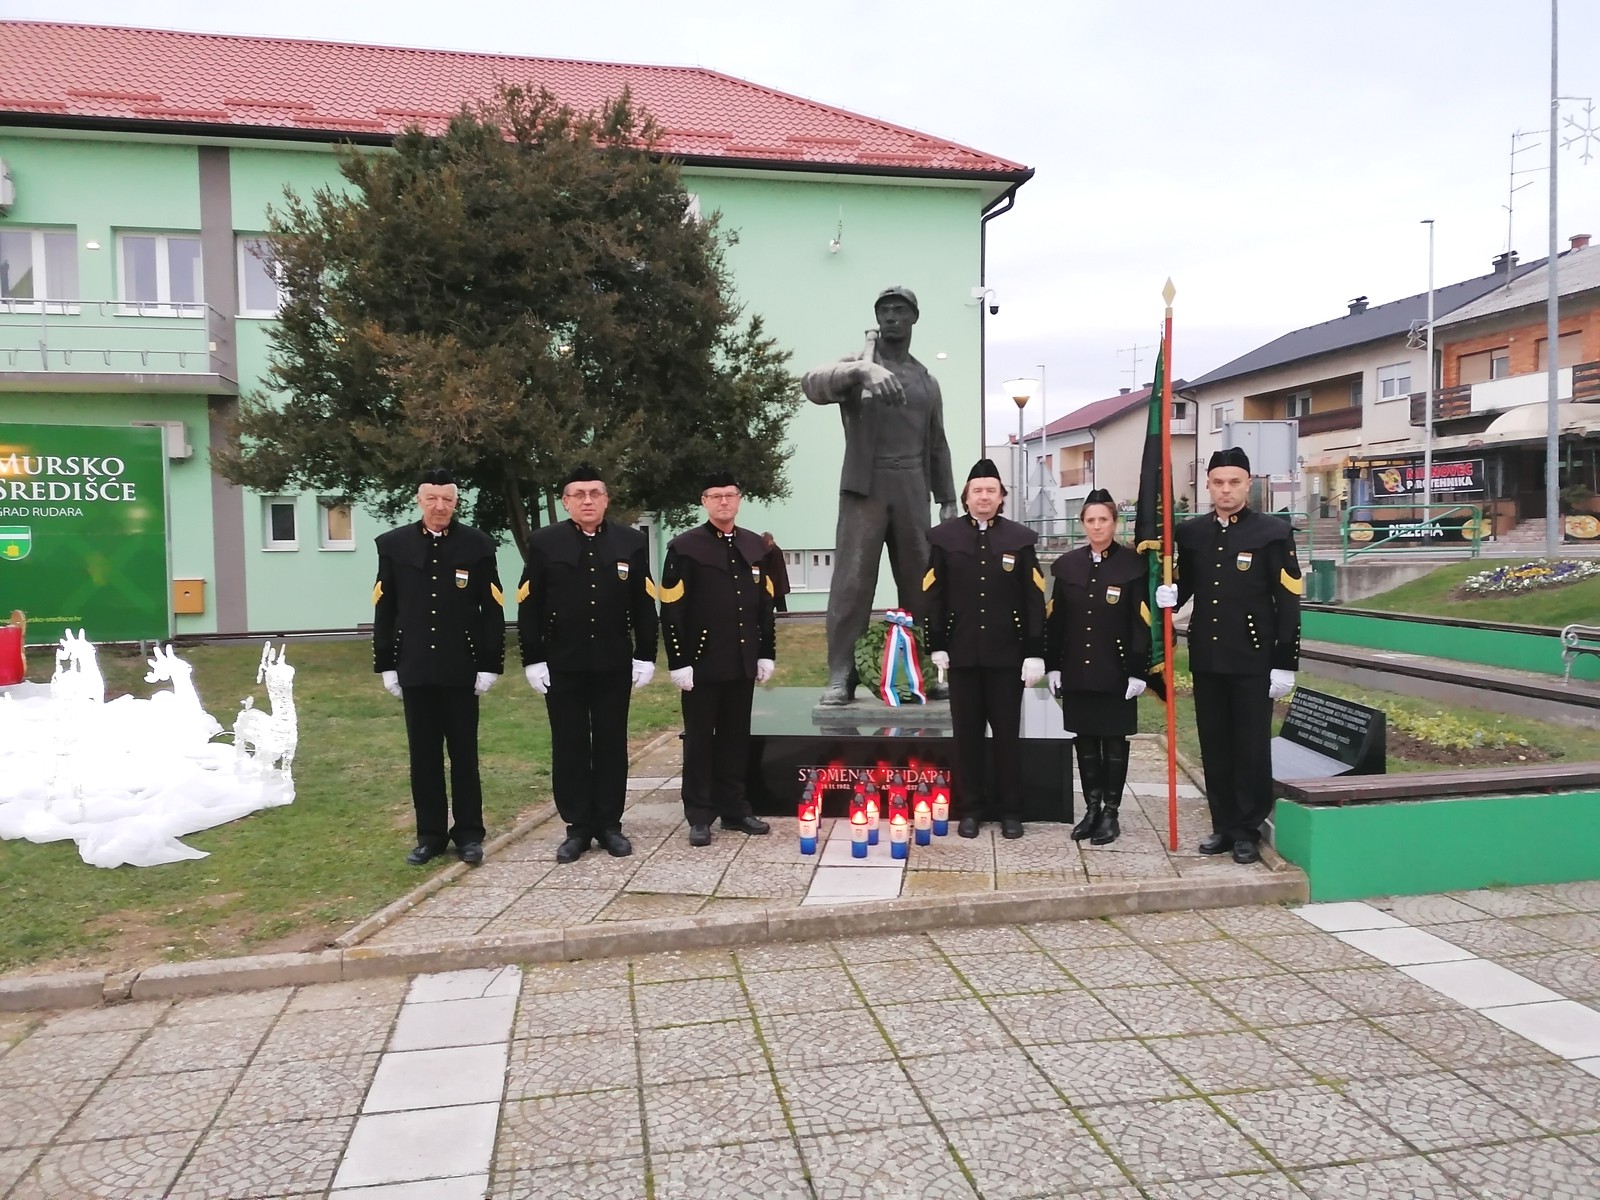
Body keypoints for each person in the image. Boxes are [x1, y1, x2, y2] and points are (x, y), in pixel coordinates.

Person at [802, 286, 958, 704]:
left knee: (921, 583)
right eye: (884, 311)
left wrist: (947, 497)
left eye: (900, 311)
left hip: (911, 487)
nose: (891, 317)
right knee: (852, 583)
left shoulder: (926, 380)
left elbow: (937, 442)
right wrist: (860, 373)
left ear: (913, 319)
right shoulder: (858, 365)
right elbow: (811, 384)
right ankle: (842, 674)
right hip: (864, 489)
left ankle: (923, 671)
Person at [1156, 446, 1301, 864]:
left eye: (1234, 482)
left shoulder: (1272, 532)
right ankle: (1222, 824)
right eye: (1218, 482)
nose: (1226, 490)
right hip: (1208, 656)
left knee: (1250, 746)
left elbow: (1288, 600)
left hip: (1254, 657)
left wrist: (1286, 661)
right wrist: (1170, 594)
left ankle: (1246, 828)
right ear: (1207, 486)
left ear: (1248, 484)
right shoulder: (1193, 533)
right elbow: (1186, 583)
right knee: (1214, 743)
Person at [518, 465, 659, 865]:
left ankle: (610, 825)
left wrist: (646, 654)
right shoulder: (544, 542)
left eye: (594, 493)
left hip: (614, 663)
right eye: (578, 494)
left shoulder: (631, 541)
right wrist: (533, 658)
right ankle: (578, 827)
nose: (587, 500)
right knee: (570, 745)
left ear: (606, 498)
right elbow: (529, 603)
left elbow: (643, 601)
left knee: (612, 743)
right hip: (563, 664)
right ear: (565, 501)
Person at [373, 468, 504, 866]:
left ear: (456, 502)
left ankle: (468, 834)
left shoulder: (478, 545)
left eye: (447, 499)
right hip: (415, 667)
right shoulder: (393, 546)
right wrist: (386, 664)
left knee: (464, 755)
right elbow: (384, 607)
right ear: (419, 500)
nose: (440, 506)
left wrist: (490, 663)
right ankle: (429, 836)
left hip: (461, 668)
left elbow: (492, 609)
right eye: (432, 498)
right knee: (423, 756)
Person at [924, 459, 1046, 840]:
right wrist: (936, 644)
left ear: (1002, 497)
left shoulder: (1020, 540)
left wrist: (1035, 651)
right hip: (962, 656)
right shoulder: (943, 539)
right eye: (977, 490)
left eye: (991, 490)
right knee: (967, 737)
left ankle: (1011, 810)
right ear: (966, 496)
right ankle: (971, 808)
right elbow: (933, 594)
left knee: (1008, 736)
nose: (984, 497)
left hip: (1006, 657)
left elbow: (1033, 598)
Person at [661, 471, 777, 846]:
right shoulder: (685, 547)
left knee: (735, 738)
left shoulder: (756, 547)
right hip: (702, 663)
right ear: (704, 502)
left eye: (730, 495)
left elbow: (765, 605)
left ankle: (735, 808)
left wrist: (766, 652)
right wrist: (679, 660)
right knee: (699, 740)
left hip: (742, 660)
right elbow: (672, 608)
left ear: (739, 499)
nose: (723, 501)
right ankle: (699, 813)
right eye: (715, 496)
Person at [1045, 489, 1150, 846]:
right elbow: (1056, 620)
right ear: (1082, 524)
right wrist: (1053, 665)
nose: (1097, 526)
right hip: (1077, 668)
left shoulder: (1132, 564)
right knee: (1085, 740)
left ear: (1114, 523)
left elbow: (1141, 621)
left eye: (1103, 519)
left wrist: (1139, 670)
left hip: (1115, 669)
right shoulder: (1068, 565)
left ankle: (1111, 812)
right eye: (1090, 520)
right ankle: (1091, 809)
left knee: (1114, 742)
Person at [760, 532, 792, 613]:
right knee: (780, 607)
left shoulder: (772, 551)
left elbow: (773, 569)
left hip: (774, 586)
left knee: (771, 608)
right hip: (777, 586)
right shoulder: (774, 550)